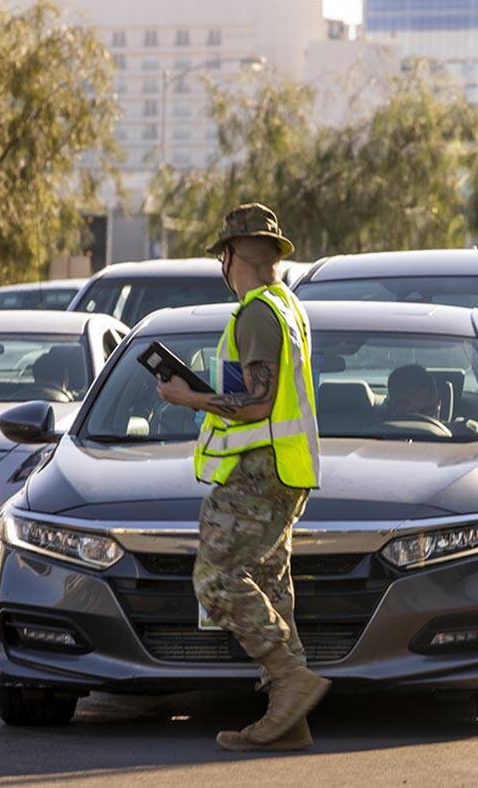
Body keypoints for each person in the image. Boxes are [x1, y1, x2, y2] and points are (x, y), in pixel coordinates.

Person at [155, 203, 326, 752]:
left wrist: (188, 397)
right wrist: (207, 391)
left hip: (259, 474)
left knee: (214, 579)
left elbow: (255, 404)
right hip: (282, 472)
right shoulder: (284, 308)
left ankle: (291, 678)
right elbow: (256, 396)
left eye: (222, 257)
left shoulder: (257, 313)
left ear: (232, 257)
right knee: (272, 585)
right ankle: (288, 718)